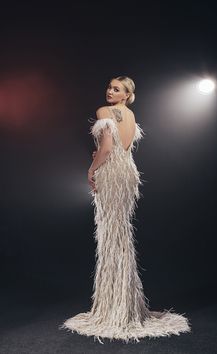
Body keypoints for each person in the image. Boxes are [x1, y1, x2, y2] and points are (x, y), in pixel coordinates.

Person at [59, 76, 191, 343]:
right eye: (109, 86)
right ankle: (124, 304)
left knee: (112, 235)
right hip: (127, 173)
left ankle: (117, 307)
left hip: (111, 174)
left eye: (116, 89)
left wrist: (91, 168)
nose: (110, 91)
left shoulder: (104, 112)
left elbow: (106, 148)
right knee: (120, 236)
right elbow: (124, 148)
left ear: (127, 94)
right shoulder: (130, 116)